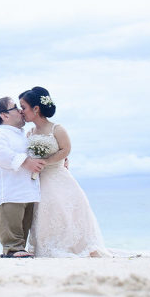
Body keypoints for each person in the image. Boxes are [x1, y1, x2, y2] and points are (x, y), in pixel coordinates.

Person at [19, 86, 110, 257]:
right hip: (40, 181)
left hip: (58, 177)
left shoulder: (56, 129)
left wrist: (47, 161)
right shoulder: (30, 132)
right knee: (44, 216)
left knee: (65, 212)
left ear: (36, 109)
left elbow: (65, 149)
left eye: (23, 107)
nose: (21, 111)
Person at [0, 97, 46, 258]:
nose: (20, 110)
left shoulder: (21, 135)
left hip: (26, 189)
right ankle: (11, 249)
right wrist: (26, 162)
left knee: (24, 223)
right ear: (4, 115)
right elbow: (2, 155)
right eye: (15, 107)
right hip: (8, 191)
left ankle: (20, 248)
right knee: (11, 222)